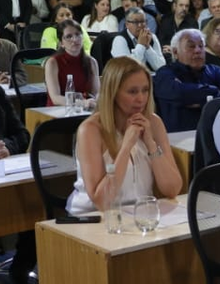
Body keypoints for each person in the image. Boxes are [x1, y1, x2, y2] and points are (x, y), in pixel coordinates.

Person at [67, 57, 182, 214]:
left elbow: (172, 189)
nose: (141, 98)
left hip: (139, 214)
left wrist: (150, 144)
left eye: (145, 90)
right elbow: (102, 202)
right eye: (132, 92)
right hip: (93, 216)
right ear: (113, 93)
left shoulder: (153, 123)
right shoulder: (90, 130)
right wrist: (126, 146)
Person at [154, 29, 220, 131]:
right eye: (191, 46)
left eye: (201, 46)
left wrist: (203, 101)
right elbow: (179, 93)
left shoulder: (215, 70)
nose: (198, 50)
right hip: (177, 136)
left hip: (214, 133)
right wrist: (214, 91)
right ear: (175, 52)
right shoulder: (165, 73)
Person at [43, 19, 99, 108]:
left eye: (78, 34)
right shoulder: (52, 62)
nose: (75, 39)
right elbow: (55, 98)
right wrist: (82, 103)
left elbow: (95, 93)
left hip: (84, 110)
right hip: (58, 111)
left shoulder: (91, 62)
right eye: (69, 36)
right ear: (61, 43)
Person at [110, 6, 165, 72]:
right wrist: (141, 45)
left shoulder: (152, 37)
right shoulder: (119, 40)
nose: (140, 25)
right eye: (135, 22)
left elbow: (161, 66)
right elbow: (127, 68)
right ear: (127, 24)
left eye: (142, 21)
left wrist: (147, 47)